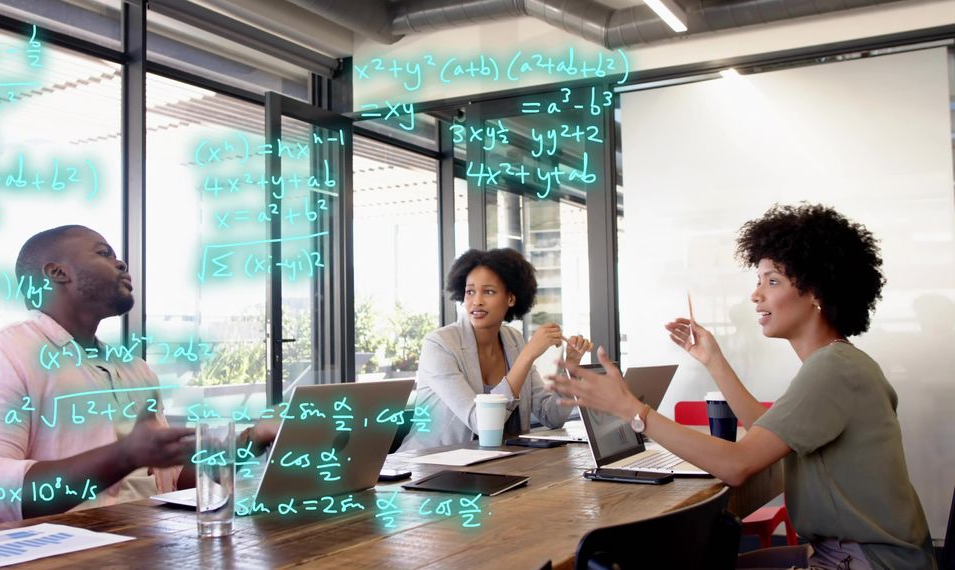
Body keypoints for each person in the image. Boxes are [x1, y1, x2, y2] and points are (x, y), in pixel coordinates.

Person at [547, 204, 936, 570]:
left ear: (816, 292)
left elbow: (736, 466)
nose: (756, 295)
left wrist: (633, 411)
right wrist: (714, 360)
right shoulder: (838, 362)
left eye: (773, 281)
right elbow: (764, 429)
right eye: (758, 281)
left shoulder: (833, 369)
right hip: (858, 555)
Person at [0, 225, 276, 530]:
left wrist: (252, 439)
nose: (121, 263)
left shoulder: (134, 369)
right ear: (57, 272)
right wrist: (125, 455)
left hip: (144, 546)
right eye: (103, 253)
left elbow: (169, 481)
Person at [400, 248, 591, 451]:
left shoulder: (514, 340)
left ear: (511, 298)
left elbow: (551, 416)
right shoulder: (439, 345)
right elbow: (481, 423)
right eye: (470, 292)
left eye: (488, 291)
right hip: (430, 463)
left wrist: (571, 366)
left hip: (498, 463)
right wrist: (527, 356)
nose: (477, 301)